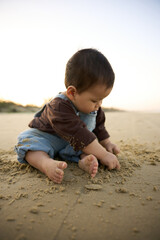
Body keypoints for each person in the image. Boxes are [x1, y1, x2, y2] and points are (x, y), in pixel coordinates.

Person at [15, 48, 120, 184]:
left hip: (72, 144)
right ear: (72, 92)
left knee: (90, 149)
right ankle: (46, 164)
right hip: (46, 138)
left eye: (102, 99)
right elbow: (78, 133)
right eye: (95, 100)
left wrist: (107, 143)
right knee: (30, 146)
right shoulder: (58, 106)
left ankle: (84, 162)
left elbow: (99, 128)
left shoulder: (94, 108)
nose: (99, 105)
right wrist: (104, 154)